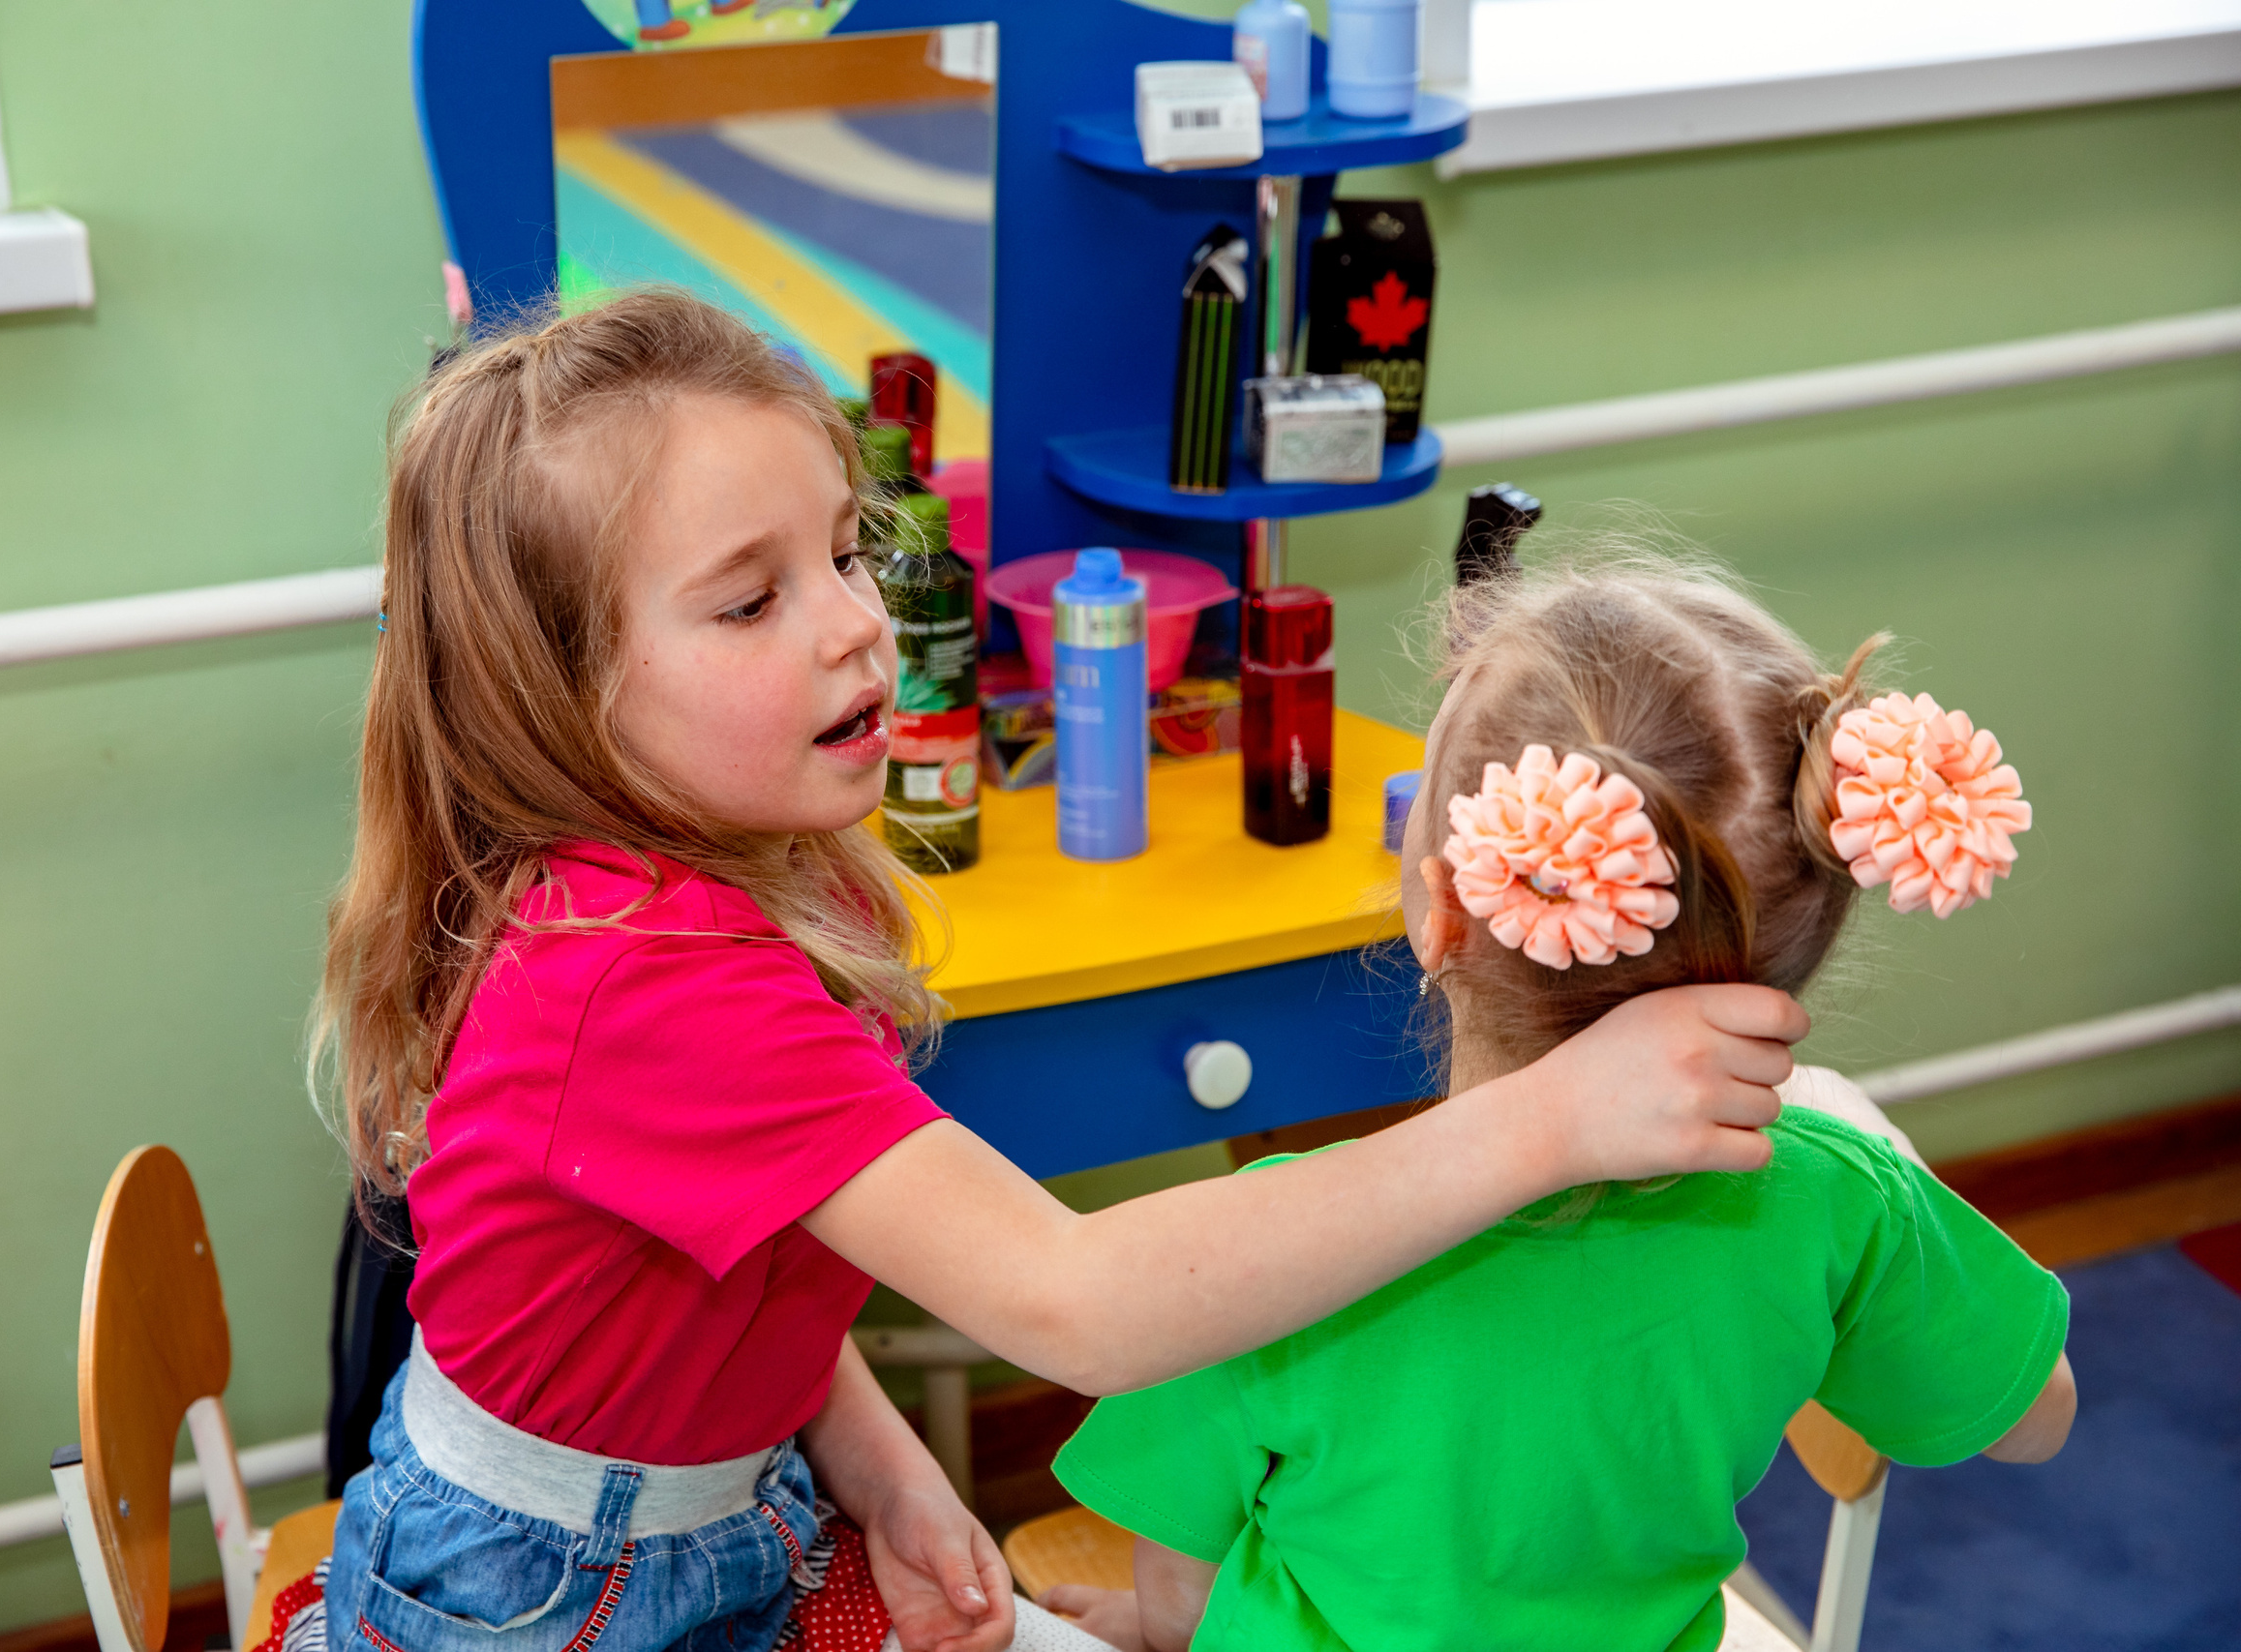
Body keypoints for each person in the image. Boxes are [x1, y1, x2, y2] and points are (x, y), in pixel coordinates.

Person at [311, 291, 1811, 1652]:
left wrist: (884, 1465)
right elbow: (1079, 1298)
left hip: (721, 1502)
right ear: (555, 689)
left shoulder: (775, 870)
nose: (854, 624)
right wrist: (1545, 1123)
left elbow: (738, 1259)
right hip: (534, 1597)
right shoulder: (637, 976)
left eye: (844, 552)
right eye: (750, 599)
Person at [1042, 549, 2073, 1652]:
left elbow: (1179, 1605)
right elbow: (2034, 1420)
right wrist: (1881, 1163)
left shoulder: (1272, 1246)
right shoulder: (1833, 1198)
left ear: (1440, 913)